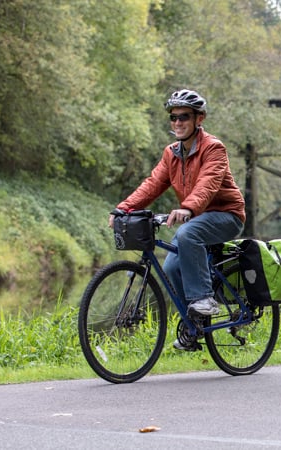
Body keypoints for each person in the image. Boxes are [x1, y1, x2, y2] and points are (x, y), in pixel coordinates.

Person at [110, 89, 246, 342]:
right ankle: (194, 327)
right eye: (173, 118)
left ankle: (204, 299)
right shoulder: (171, 152)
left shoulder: (213, 148)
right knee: (172, 265)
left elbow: (209, 182)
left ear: (199, 119)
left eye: (184, 116)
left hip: (226, 215)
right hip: (197, 218)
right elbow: (152, 184)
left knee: (186, 234)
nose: (178, 123)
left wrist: (188, 208)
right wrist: (124, 208)